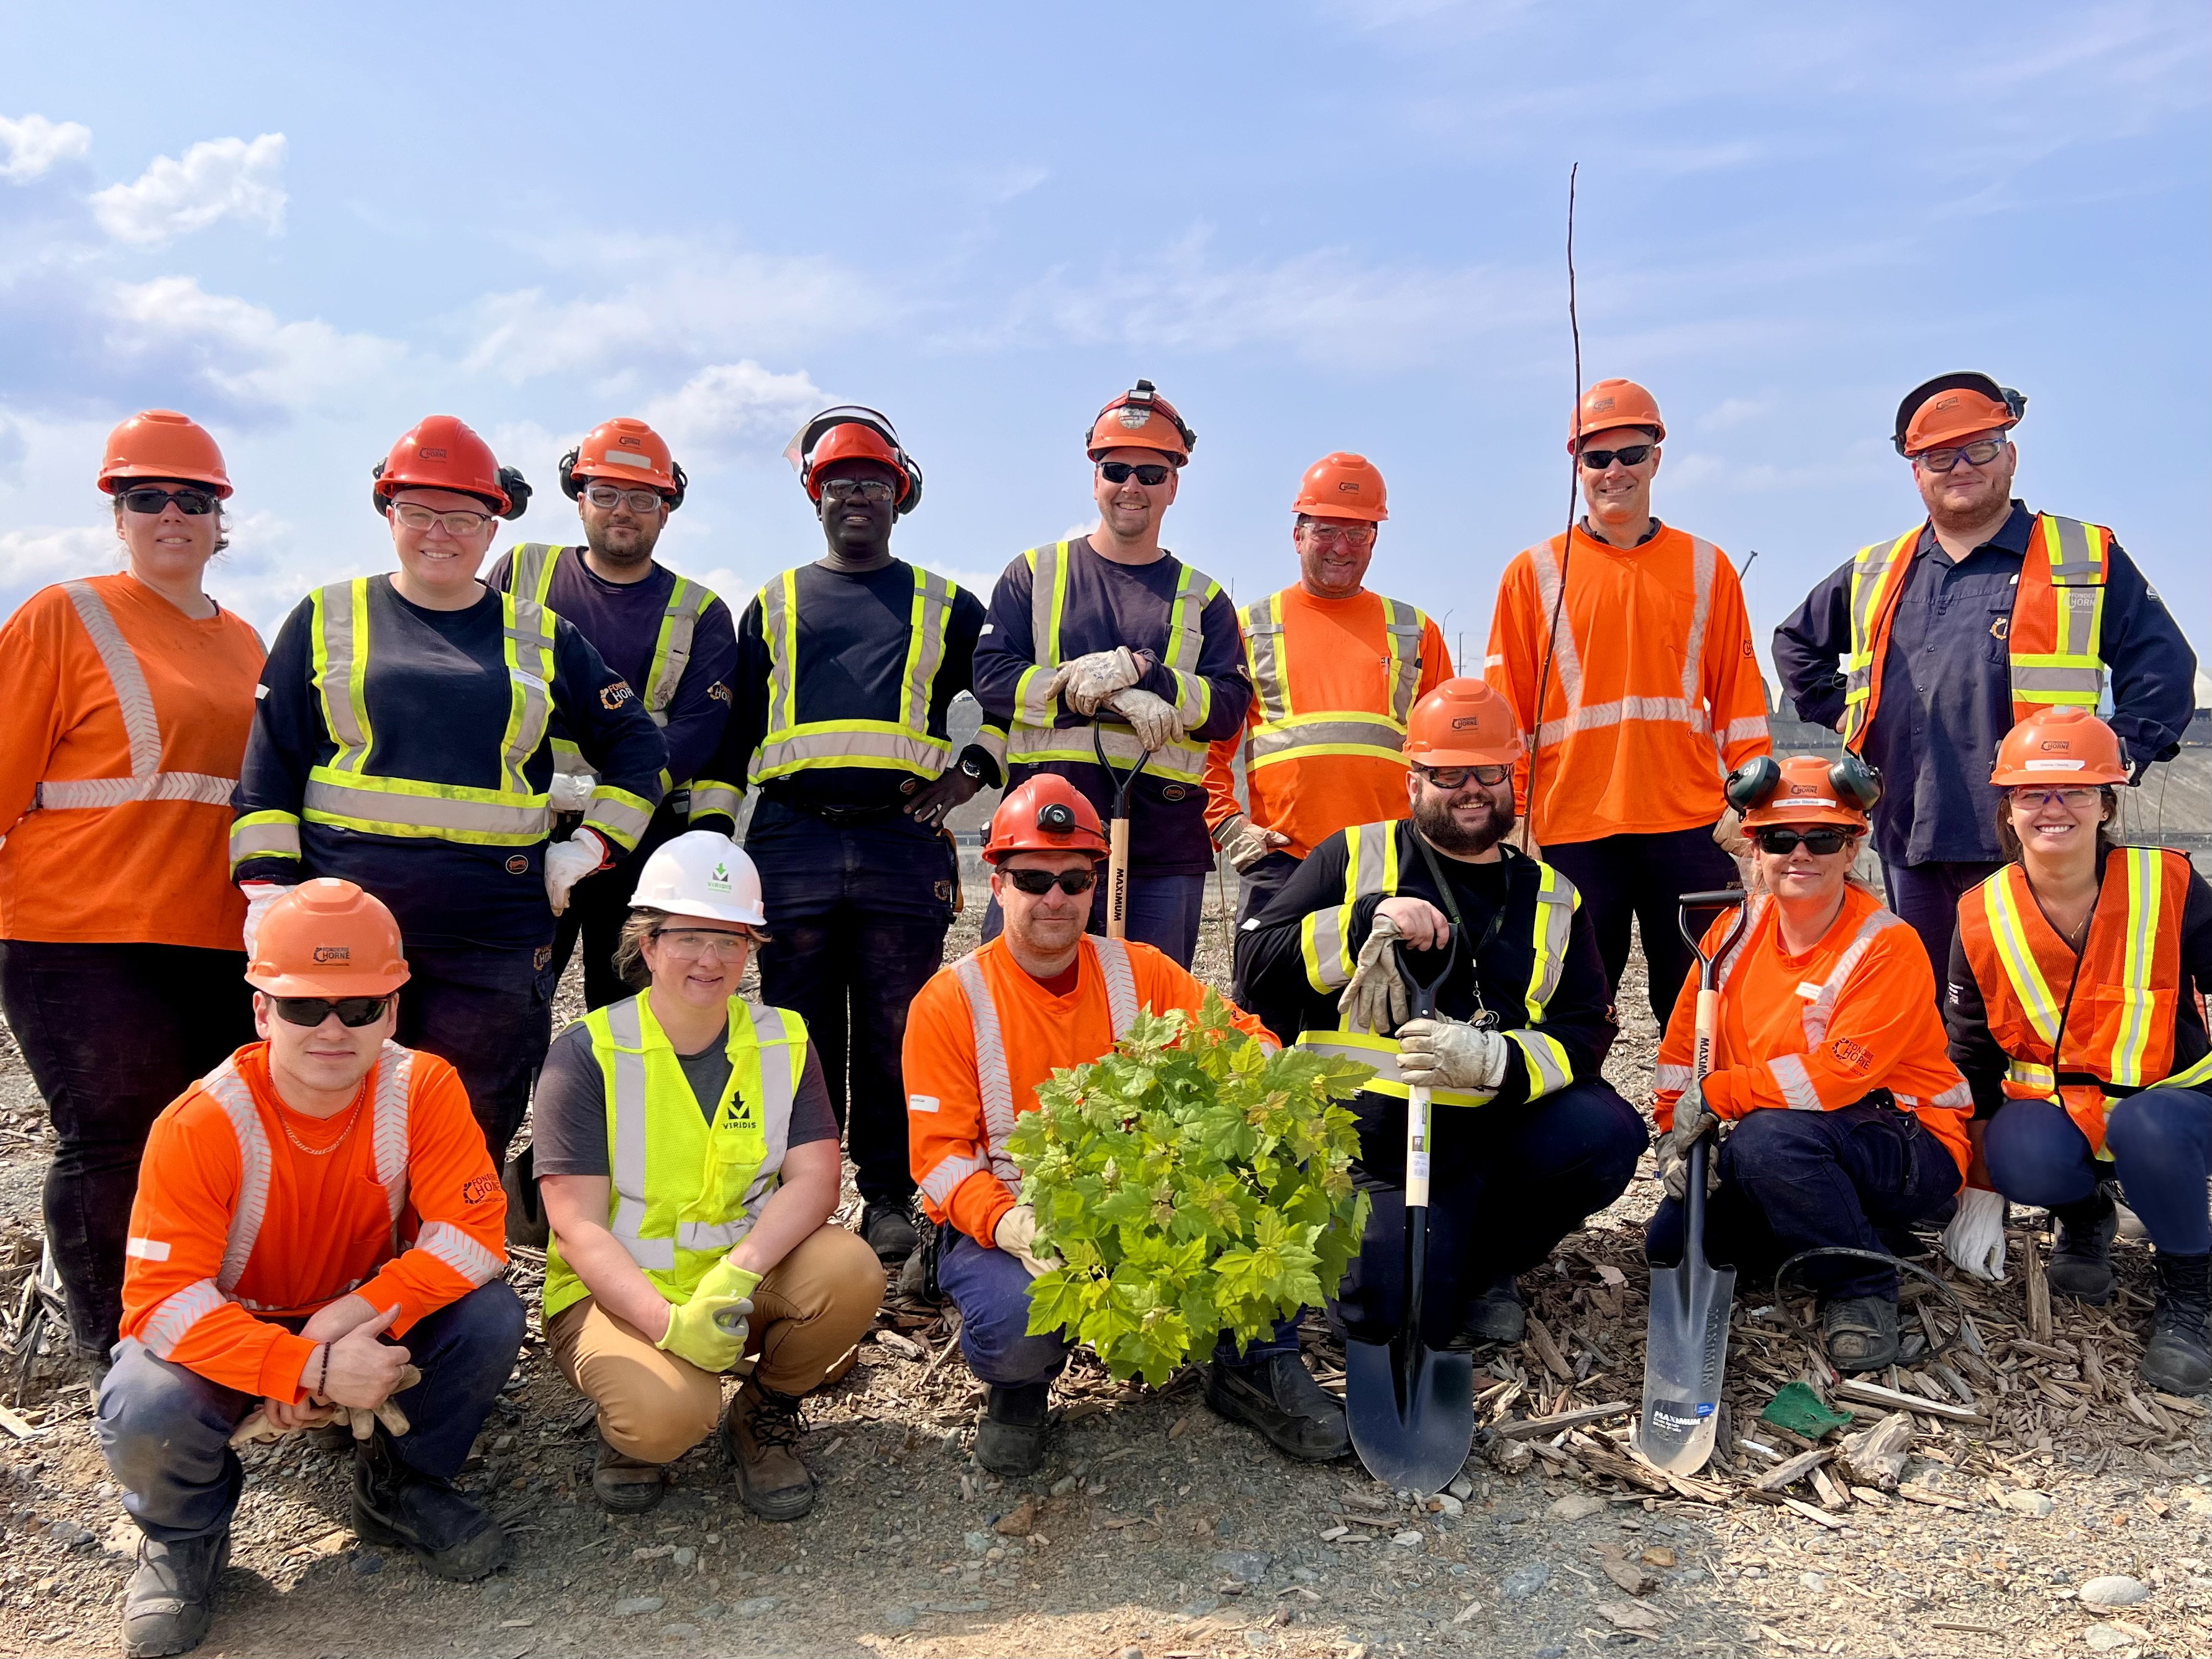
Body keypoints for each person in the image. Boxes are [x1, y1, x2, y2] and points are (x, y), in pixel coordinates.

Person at [96, 881, 523, 1657]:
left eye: (359, 1007)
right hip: (242, 1326)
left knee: (490, 1316)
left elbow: (476, 1235)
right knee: (144, 1398)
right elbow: (161, 1302)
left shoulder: (421, 1087)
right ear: (262, 1012)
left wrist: (350, 1319)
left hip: (357, 1311)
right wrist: (304, 1367)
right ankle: (185, 1535)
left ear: (392, 1011)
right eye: (304, 1007)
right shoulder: (202, 1123)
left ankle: (401, 1484)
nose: (333, 1028)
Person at [230, 416, 667, 1171]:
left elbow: (640, 748)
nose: (442, 533)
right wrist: (269, 893)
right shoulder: (328, 616)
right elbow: (269, 771)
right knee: (333, 1115)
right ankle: (341, 1271)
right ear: (388, 512)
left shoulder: (539, 633)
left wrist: (587, 850)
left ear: (493, 526)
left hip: (493, 932)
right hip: (347, 921)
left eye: (464, 516)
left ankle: (451, 1272)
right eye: (419, 511)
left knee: (469, 1121)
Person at [904, 775, 1335, 1475]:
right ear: (999, 880)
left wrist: (1269, 1086)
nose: (1056, 897)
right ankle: (1021, 1387)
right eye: (1034, 877)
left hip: (1144, 1204)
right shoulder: (950, 1001)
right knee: (1016, 1324)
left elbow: (1245, 1040)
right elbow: (941, 1160)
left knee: (1266, 1177)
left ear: (1095, 881)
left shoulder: (1141, 972)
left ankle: (1254, 1361)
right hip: (1016, 1219)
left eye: (1074, 879)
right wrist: (1012, 1225)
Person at [1240, 680, 1645, 1353]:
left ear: (1511, 775)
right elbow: (1256, 963)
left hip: (1494, 1125)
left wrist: (1498, 1061)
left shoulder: (1553, 897)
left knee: (1605, 1136)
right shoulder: (1354, 856)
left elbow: (1587, 1028)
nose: (1471, 788)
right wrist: (1364, 920)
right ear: (1413, 781)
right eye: (1448, 774)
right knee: (1389, 1320)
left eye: (1489, 771)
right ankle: (1432, 1260)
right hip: (1371, 1140)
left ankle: (1489, 1263)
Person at [690, 407, 1001, 1266]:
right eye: (838, 484)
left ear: (899, 496)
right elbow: (735, 731)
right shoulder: (775, 601)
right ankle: (805, 1192)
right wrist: (717, 833)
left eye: (871, 483)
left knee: (902, 1027)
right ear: (813, 496)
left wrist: (973, 770)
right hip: (793, 838)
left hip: (903, 838)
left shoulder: (950, 604)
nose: (854, 496)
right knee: (800, 1025)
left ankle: (892, 1195)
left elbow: (1004, 696)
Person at [1773, 371, 2198, 980]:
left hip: (2039, 835)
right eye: (1939, 456)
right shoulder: (1879, 570)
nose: (1960, 466)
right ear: (1916, 472)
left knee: (2042, 1004)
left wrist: (2114, 756)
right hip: (1911, 832)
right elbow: (1797, 646)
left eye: (1980, 448)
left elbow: (2163, 669)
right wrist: (1851, 716)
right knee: (1933, 1013)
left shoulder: (2079, 557)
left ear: (2011, 455)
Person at [0, 411, 265, 1374]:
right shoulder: (60, 615)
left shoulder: (244, 642)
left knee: (204, 1140)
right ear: (117, 510)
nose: (170, 514)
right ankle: (122, 1348)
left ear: (217, 518)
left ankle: (197, 1317)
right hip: (80, 934)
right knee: (112, 1137)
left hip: (215, 933)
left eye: (192, 500)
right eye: (146, 496)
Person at [534, 832, 884, 1517]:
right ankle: (640, 1424)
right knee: (664, 1420)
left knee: (852, 1270)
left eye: (732, 940)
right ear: (649, 943)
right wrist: (667, 1325)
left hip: (734, 1282)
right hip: (617, 1295)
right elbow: (575, 1226)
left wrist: (739, 1272)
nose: (711, 958)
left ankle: (763, 1412)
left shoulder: (782, 1037)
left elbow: (816, 1178)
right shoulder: (587, 1055)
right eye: (689, 936)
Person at [1647, 755, 1972, 1373]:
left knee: (1769, 1144)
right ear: (1755, 846)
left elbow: (1834, 1076)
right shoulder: (1729, 935)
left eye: (1822, 838)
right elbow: (1682, 1053)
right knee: (1672, 1246)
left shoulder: (1886, 945)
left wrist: (1719, 1098)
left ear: (1851, 850)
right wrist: (1677, 1135)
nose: (1800, 854)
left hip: (1907, 1146)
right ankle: (1839, 1228)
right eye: (1778, 838)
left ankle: (1862, 1285)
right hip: (1791, 1134)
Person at [1485, 378, 1770, 1027]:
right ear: (1577, 465)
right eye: (1597, 458)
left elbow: (1741, 705)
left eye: (1631, 454)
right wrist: (1517, 820)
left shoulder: (1708, 567)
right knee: (1571, 1005)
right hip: (1571, 829)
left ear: (1657, 458)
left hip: (1690, 824)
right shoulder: (1532, 574)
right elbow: (1508, 718)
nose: (1615, 471)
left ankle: (1698, 1124)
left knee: (1704, 1005)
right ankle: (1574, 1126)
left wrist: (1745, 809)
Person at [1944, 708, 2212, 1393]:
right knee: (2018, 1155)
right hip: (2061, 1106)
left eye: (2075, 791)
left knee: (2145, 1126)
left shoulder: (2169, 884)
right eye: (2034, 792)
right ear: (2009, 808)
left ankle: (2191, 1287)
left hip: (2172, 1106)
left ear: (2106, 803)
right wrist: (1979, 1192)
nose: (2053, 808)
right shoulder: (1981, 914)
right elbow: (1970, 1061)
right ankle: (2086, 1214)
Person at [973, 380, 1252, 968]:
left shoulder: (1202, 598)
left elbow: (1228, 706)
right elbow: (994, 679)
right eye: (1116, 469)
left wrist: (1146, 673)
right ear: (1094, 476)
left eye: (1150, 474)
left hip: (1161, 847)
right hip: (1042, 844)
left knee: (1146, 1028)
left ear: (1173, 485)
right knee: (1025, 1018)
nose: (1131, 486)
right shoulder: (1034, 574)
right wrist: (1112, 698)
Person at [486, 417, 737, 1011]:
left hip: (639, 843)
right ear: (579, 500)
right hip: (523, 829)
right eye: (605, 494)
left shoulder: (700, 610)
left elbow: (698, 734)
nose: (622, 510)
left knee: (627, 1016)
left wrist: (608, 815)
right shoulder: (521, 573)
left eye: (643, 497)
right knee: (503, 1007)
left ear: (666, 508)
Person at [1203, 452, 1453, 1021]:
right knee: (1270, 1015)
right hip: (1282, 861)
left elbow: (1446, 755)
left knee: (1386, 1017)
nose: (1342, 546)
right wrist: (1225, 824)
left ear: (1374, 538)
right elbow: (1207, 747)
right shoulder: (1250, 627)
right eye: (1327, 530)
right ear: (1298, 534)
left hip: (1391, 864)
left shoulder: (1412, 632)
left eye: (1358, 531)